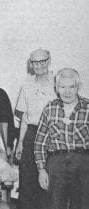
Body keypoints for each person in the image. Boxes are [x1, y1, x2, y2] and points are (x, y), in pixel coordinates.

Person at [34, 68, 89, 209]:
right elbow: (40, 143)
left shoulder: (87, 108)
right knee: (55, 205)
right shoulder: (49, 108)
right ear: (56, 88)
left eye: (72, 87)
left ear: (79, 87)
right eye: (62, 87)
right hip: (56, 164)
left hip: (83, 163)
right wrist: (41, 170)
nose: (67, 91)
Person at [14, 49, 55, 209]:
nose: (39, 65)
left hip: (51, 135)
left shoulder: (57, 82)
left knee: (47, 183)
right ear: (31, 64)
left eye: (42, 61)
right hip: (31, 134)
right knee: (27, 181)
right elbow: (24, 117)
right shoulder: (26, 85)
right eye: (35, 62)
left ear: (49, 61)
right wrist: (20, 144)